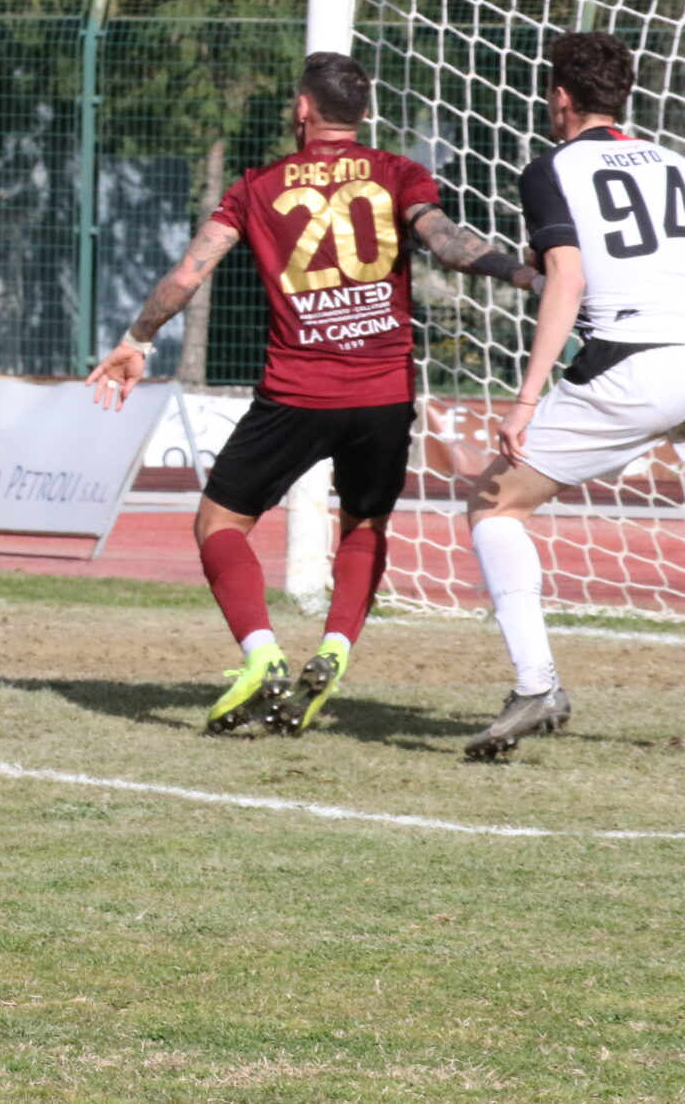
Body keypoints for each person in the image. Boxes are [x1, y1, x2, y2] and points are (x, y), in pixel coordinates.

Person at [88, 51, 540, 735]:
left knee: (219, 523)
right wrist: (525, 275)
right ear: (362, 113)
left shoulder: (259, 185)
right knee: (364, 525)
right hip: (384, 393)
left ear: (303, 108)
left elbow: (187, 274)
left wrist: (137, 338)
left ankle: (263, 654)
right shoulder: (399, 173)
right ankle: (334, 648)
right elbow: (448, 245)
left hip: (297, 392)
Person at [460, 33, 685, 757]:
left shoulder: (551, 167)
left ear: (559, 97)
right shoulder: (675, 163)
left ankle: (537, 684)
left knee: (495, 501)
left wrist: (524, 400)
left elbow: (569, 277)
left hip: (632, 365)